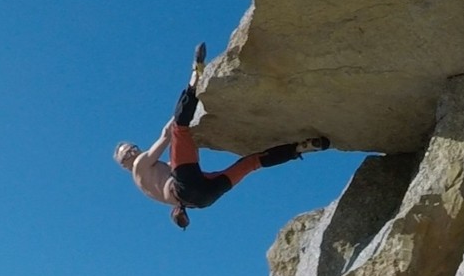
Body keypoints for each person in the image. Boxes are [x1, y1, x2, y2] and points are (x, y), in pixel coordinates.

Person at [113, 44, 330, 229]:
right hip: (186, 187)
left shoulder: (148, 183)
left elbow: (182, 170)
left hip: (204, 199)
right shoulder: (140, 166)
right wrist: (183, 113)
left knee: (252, 163)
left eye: (133, 147)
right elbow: (166, 135)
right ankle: (195, 77)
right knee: (180, 128)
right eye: (127, 154)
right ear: (124, 165)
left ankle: (299, 148)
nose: (133, 152)